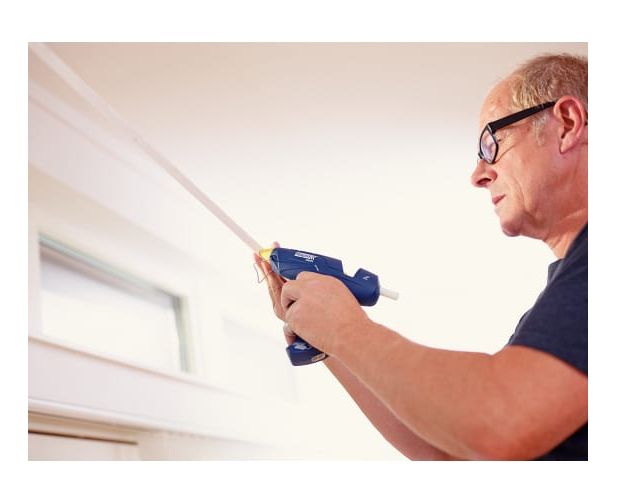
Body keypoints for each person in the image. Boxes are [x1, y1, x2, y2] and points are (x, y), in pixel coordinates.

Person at [253, 53, 588, 460]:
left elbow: (496, 422)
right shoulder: (565, 294)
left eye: (490, 144)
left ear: (567, 124)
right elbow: (450, 450)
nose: (478, 175)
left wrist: (345, 327)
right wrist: (327, 338)